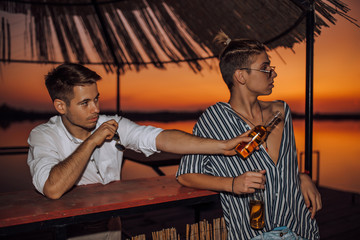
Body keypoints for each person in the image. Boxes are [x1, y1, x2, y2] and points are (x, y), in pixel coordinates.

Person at [176, 32, 321, 240]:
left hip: (301, 227)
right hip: (255, 234)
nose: (273, 73)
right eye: (265, 68)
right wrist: (232, 184)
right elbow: (186, 174)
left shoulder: (281, 112)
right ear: (241, 76)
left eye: (271, 67)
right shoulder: (213, 121)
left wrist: (300, 176)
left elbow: (282, 167)